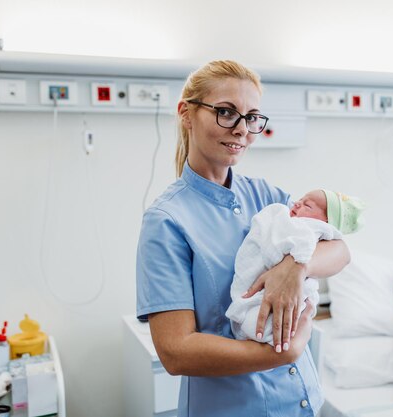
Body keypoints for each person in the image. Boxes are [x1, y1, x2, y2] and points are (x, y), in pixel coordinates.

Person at [136, 60, 350, 417]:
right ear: (186, 114)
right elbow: (175, 351)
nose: (241, 129)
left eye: (251, 117)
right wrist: (285, 352)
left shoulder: (266, 195)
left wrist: (296, 269)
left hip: (303, 403)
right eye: (225, 112)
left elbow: (340, 249)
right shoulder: (167, 221)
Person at [226, 189, 364, 346]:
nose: (297, 203)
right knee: (255, 320)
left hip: (291, 306)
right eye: (301, 198)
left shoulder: (311, 229)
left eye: (308, 205)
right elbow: (270, 248)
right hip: (256, 293)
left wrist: (298, 265)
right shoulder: (281, 215)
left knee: (266, 321)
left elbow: (343, 253)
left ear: (325, 222)